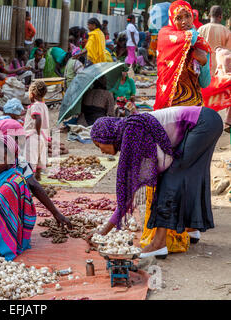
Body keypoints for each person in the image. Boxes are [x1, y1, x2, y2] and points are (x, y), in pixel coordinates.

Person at [87, 106, 223, 258]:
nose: (101, 151)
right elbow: (130, 191)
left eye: (99, 145)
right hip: (210, 121)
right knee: (190, 175)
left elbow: (165, 162)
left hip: (203, 123)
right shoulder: (130, 130)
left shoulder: (132, 132)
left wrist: (104, 231)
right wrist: (103, 231)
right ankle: (191, 228)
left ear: (107, 136)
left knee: (169, 181)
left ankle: (158, 244)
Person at [153, 0, 211, 110]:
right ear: (172, 20)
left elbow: (205, 83)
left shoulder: (201, 45)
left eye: (188, 16)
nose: (184, 21)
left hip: (194, 107)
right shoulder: (166, 35)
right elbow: (191, 38)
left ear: (192, 18)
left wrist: (204, 63)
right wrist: (193, 30)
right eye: (178, 18)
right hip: (170, 107)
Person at [24, 81, 49, 181]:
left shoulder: (35, 106)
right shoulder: (44, 105)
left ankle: (30, 180)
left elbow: (38, 118)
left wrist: (37, 132)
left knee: (31, 159)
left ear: (32, 94)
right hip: (42, 136)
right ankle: (38, 176)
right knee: (39, 157)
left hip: (33, 135)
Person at [198, 5, 231, 75]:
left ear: (209, 16)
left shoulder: (201, 29)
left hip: (204, 70)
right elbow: (228, 52)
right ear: (220, 17)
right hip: (220, 72)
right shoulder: (227, 32)